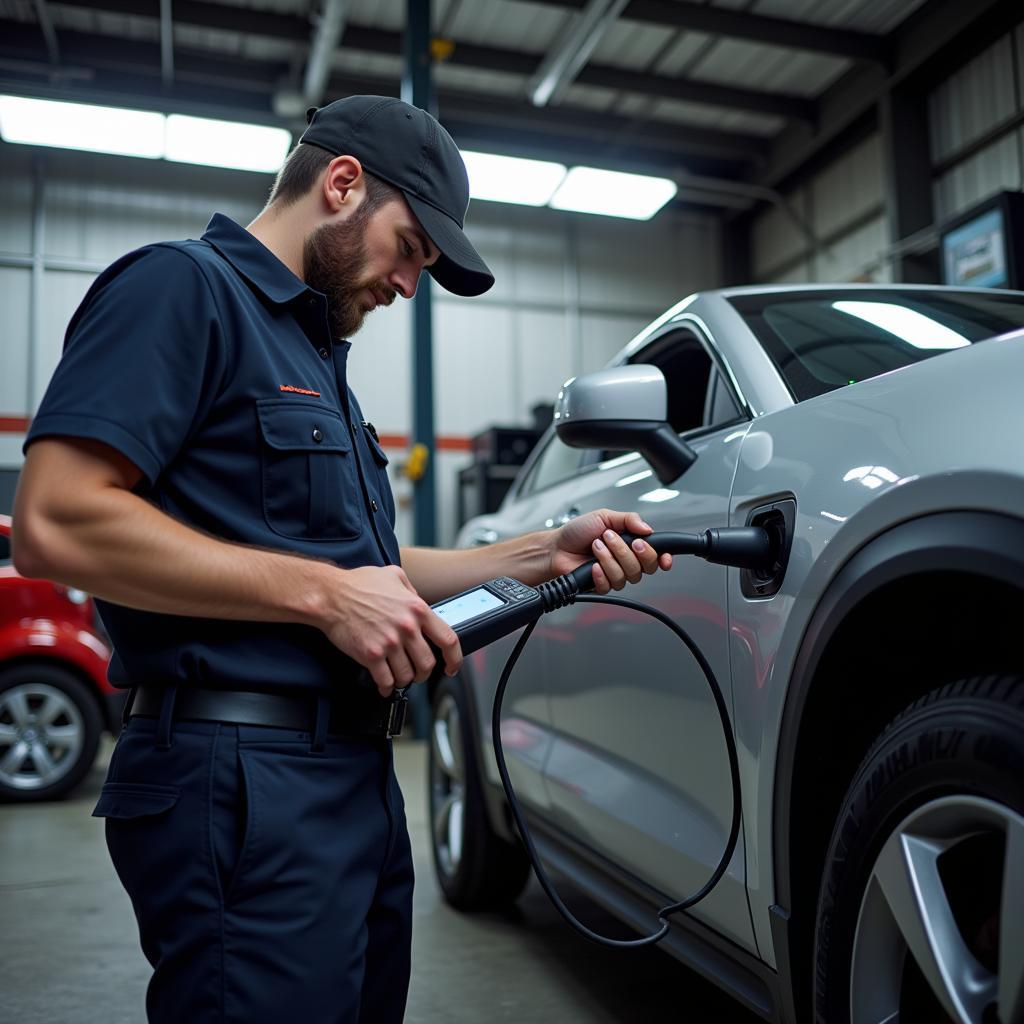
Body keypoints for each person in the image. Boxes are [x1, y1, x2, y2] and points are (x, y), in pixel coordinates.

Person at [12, 95, 673, 1023]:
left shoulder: (313, 351)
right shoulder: (180, 289)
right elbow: (58, 521)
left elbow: (372, 571)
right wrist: (326, 596)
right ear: (343, 183)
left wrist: (534, 555)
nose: (409, 284)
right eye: (409, 248)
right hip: (241, 777)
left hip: (348, 778)